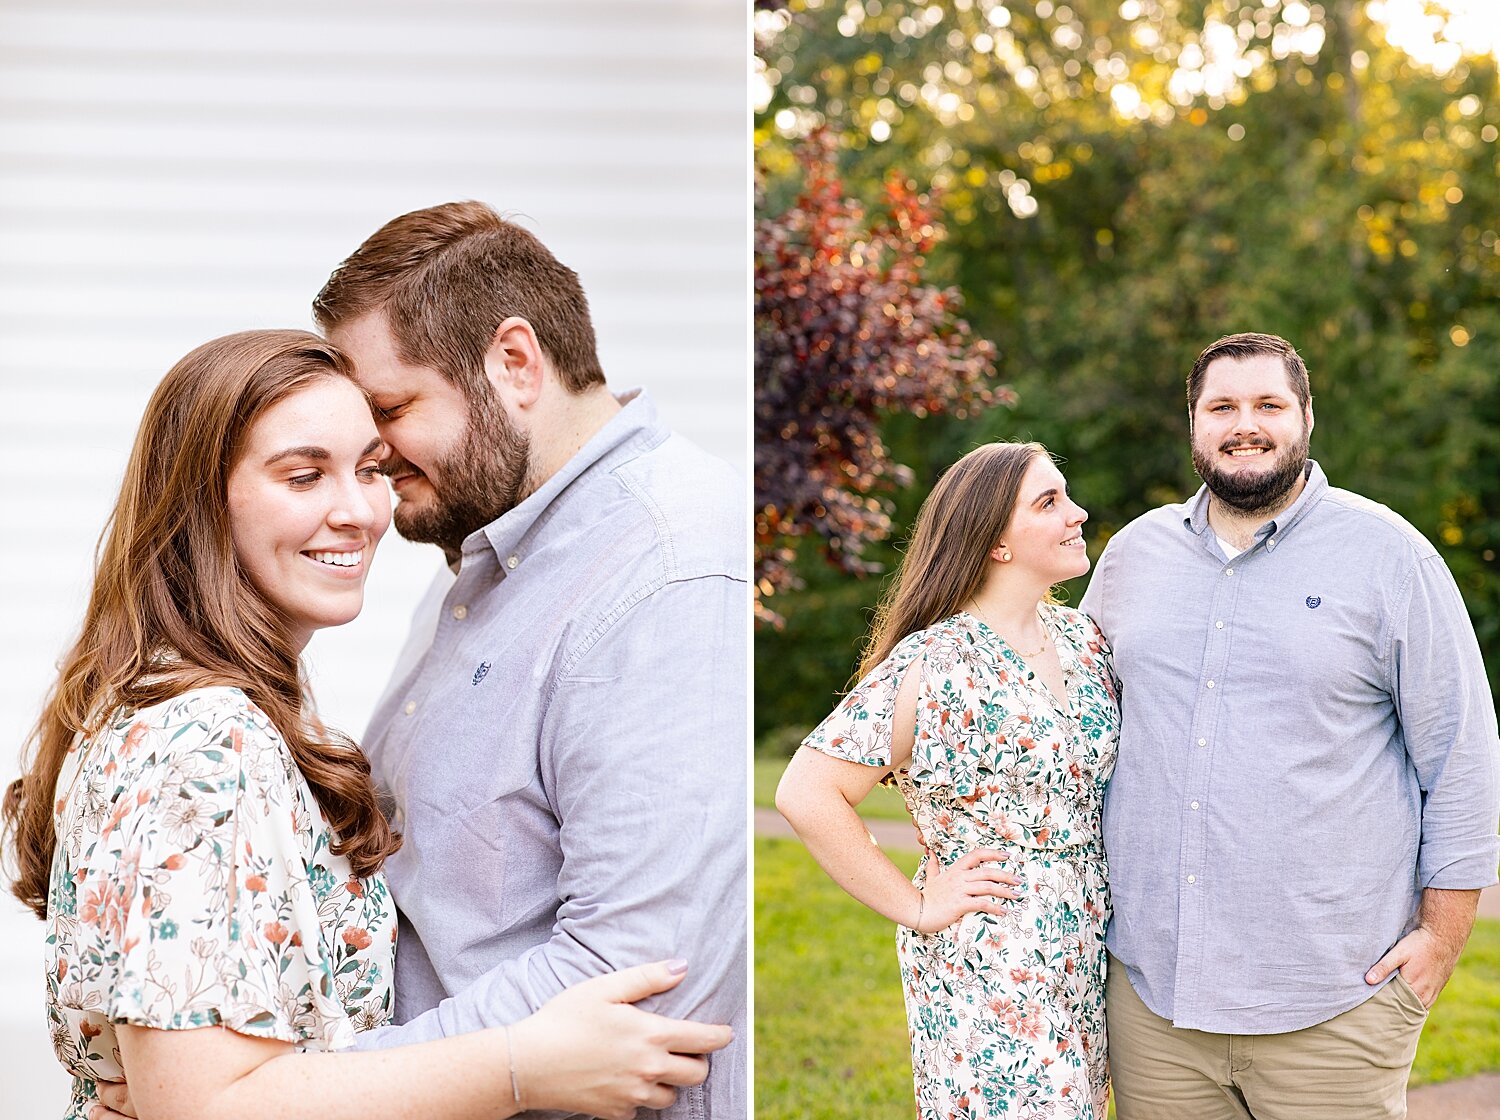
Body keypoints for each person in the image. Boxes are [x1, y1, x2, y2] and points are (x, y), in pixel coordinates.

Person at [2, 330, 730, 1120]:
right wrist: (523, 1067)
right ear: (200, 500)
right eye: (304, 475)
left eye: (373, 469)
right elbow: (204, 1109)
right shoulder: (205, 740)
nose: (359, 511)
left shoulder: (180, 703)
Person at [303, 200, 747, 1116]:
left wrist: (318, 1089)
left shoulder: (671, 573)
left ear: (514, 362)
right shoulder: (479, 553)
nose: (370, 458)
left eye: (389, 409)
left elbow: (640, 977)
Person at [1081, 331, 1500, 1120]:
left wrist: (1442, 937)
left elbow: (1463, 757)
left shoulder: (1390, 557)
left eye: (1269, 404)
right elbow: (1075, 729)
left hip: (1335, 1002)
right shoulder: (1132, 558)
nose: (1246, 424)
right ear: (1195, 425)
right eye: (1222, 406)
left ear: (1306, 417)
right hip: (1154, 1004)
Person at [776, 441, 1120, 1120]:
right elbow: (805, 792)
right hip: (989, 959)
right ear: (994, 542)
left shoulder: (1085, 639)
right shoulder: (935, 662)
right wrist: (917, 905)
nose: (1076, 513)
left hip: (1088, 951)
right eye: (1049, 502)